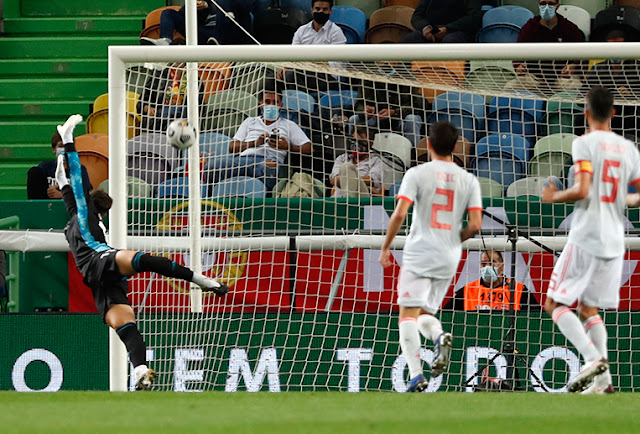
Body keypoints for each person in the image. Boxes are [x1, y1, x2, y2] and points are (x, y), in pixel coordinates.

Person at [55, 114, 229, 391]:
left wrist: (68, 142)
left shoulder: (83, 211)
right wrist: (63, 147)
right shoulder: (81, 212)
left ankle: (140, 371)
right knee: (142, 260)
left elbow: (72, 178)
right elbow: (66, 181)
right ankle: (201, 280)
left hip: (96, 268)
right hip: (98, 264)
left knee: (126, 325)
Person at [541, 86, 640, 394]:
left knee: (554, 302)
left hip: (587, 234)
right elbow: (636, 197)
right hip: (615, 237)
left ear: (586, 112)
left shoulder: (583, 143)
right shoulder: (629, 149)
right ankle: (604, 384)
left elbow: (582, 189)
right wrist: (617, 199)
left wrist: (553, 195)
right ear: (613, 112)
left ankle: (593, 358)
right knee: (589, 308)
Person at [379, 121, 483, 392]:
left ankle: (415, 375)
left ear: (429, 144)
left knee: (406, 315)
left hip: (420, 251)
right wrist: (452, 240)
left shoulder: (417, 173)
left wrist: (385, 246)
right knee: (424, 312)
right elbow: (474, 225)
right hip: (449, 256)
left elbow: (400, 213)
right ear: (456, 146)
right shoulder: (469, 179)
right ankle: (438, 336)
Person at [207, 86, 313, 194]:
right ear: (261, 104)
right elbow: (232, 147)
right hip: (243, 160)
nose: (271, 105)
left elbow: (309, 147)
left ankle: (264, 205)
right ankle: (212, 201)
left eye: (275, 102)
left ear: (281, 105)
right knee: (211, 167)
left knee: (269, 169)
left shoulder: (289, 124)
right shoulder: (250, 121)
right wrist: (255, 143)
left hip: (268, 161)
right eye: (267, 102)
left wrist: (287, 147)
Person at [507, 0, 585, 95]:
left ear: (557, 6)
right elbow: (517, 55)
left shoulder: (570, 28)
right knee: (509, 87)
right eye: (543, 3)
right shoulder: (528, 29)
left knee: (577, 87)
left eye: (551, 3)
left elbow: (583, 55)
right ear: (538, 5)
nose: (547, 7)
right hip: (533, 77)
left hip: (562, 78)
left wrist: (574, 66)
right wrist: (519, 66)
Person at [348, 62, 427, 146]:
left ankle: (413, 154)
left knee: (411, 119)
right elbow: (359, 104)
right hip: (376, 117)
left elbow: (415, 107)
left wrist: (394, 112)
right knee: (354, 119)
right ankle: (353, 150)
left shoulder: (408, 75)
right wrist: (365, 110)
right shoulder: (368, 74)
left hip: (401, 117)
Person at [279, 0, 347, 92]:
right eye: (317, 9)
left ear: (330, 11)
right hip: (302, 72)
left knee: (292, 74)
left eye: (325, 9)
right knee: (273, 79)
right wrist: (285, 67)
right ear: (312, 10)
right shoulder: (301, 31)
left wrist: (307, 62)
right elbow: (293, 56)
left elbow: (336, 65)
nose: (321, 12)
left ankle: (304, 103)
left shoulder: (336, 32)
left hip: (327, 77)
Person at [584, 30, 640, 142]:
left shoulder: (637, 68)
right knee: (581, 119)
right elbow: (583, 92)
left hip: (631, 115)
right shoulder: (597, 69)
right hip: (604, 113)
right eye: (611, 47)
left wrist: (632, 94)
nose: (615, 51)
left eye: (618, 47)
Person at [444, 250, 540, 311]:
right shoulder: (467, 291)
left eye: (492, 262)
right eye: (483, 264)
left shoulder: (519, 290)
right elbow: (446, 316)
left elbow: (536, 316)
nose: (487, 267)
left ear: (502, 266)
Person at [140, 0, 253, 46]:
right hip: (204, 35)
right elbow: (181, 16)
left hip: (224, 37)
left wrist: (210, 5)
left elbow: (245, 21)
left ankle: (216, 42)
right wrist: (193, 8)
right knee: (168, 13)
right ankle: (165, 41)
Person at [136, 62, 204, 133]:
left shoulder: (195, 81)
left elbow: (199, 110)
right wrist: (148, 109)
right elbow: (139, 105)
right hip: (158, 121)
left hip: (183, 122)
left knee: (180, 112)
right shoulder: (158, 76)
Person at [27, 131, 92, 200]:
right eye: (61, 146)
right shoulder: (45, 168)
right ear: (54, 149)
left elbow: (88, 193)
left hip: (71, 207)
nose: (64, 150)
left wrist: (63, 194)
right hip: (48, 207)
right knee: (34, 171)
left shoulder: (79, 169)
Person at [330, 126, 385, 198]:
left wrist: (346, 179)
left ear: (371, 143)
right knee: (346, 166)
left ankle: (349, 203)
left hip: (363, 198)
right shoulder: (342, 158)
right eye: (354, 140)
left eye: (360, 142)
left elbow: (372, 181)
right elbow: (334, 180)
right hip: (338, 199)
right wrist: (355, 180)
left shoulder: (377, 160)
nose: (356, 144)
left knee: (347, 167)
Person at [402, 0, 482, 44]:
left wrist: (448, 28)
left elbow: (474, 17)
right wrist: (426, 28)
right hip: (431, 31)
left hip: (458, 31)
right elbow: (417, 16)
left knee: (450, 40)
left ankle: (450, 73)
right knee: (411, 38)